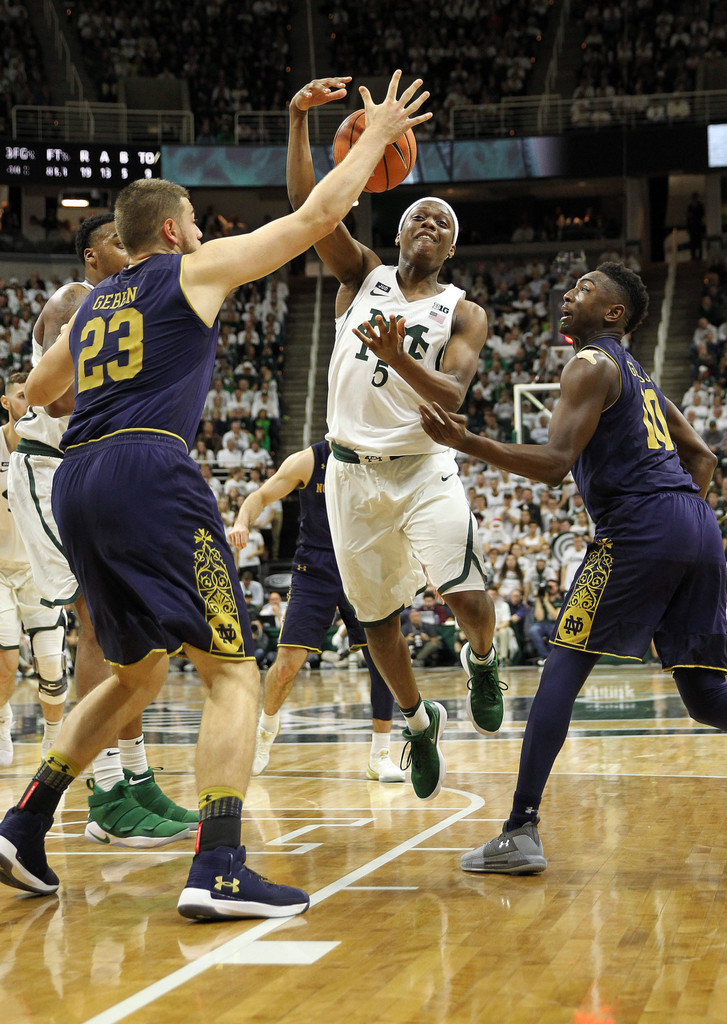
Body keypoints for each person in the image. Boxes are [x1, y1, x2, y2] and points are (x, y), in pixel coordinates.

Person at [0, 71, 431, 919]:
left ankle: (23, 824)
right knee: (233, 672)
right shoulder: (187, 272)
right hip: (149, 473)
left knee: (134, 675)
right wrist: (376, 137)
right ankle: (221, 866)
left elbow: (36, 397)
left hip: (77, 482)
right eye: (196, 221)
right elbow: (313, 222)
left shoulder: (91, 306)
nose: (204, 231)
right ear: (171, 229)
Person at [420, 260, 727, 875]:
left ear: (613, 314)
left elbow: (554, 464)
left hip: (639, 529)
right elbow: (702, 457)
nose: (567, 294)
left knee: (562, 667)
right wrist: (680, 523)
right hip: (697, 526)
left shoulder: (590, 363)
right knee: (706, 696)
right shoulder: (640, 376)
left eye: (584, 289)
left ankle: (521, 827)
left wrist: (469, 443)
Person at [287, 76, 503, 802]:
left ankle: (483, 658)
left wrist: (399, 355)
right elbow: (311, 214)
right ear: (401, 230)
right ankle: (416, 723)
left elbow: (452, 394)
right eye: (420, 217)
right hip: (349, 474)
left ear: (450, 250)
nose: (431, 226)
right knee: (377, 619)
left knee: (470, 601)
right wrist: (297, 124)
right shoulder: (363, 274)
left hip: (423, 469)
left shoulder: (461, 310)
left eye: (444, 223)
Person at [7, 213, 194, 847]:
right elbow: (55, 401)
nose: (128, 248)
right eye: (115, 240)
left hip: (92, 469)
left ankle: (135, 777)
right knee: (94, 619)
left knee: (126, 624)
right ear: (91, 257)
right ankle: (104, 791)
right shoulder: (78, 302)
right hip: (51, 466)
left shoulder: (130, 305)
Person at [229, 440, 404, 783]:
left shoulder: (379, 457)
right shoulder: (310, 459)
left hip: (364, 567)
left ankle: (380, 753)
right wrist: (241, 523)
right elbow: (260, 497)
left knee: (381, 662)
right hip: (315, 569)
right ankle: (265, 729)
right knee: (286, 667)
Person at [0, 374, 68, 767]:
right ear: (6, 403)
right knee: (7, 660)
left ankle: (54, 737)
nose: (30, 401)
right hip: (1, 571)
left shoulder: (53, 444)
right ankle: (3, 717)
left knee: (51, 664)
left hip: (39, 568)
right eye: (21, 396)